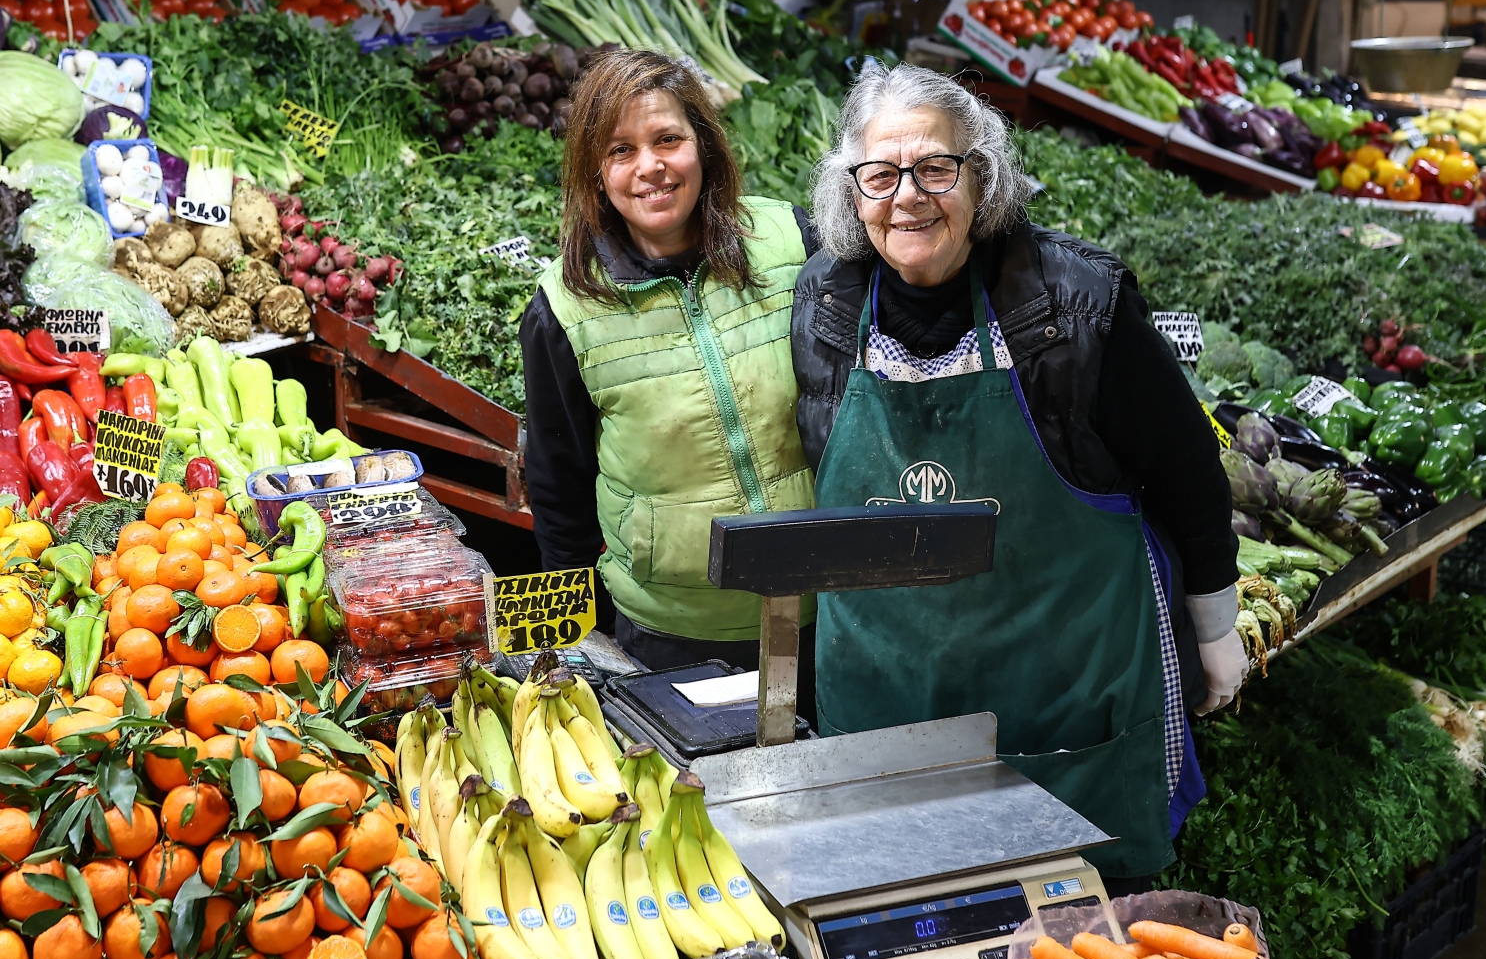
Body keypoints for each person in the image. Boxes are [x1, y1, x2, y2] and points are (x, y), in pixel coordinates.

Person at [790, 63, 1244, 885]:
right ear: (852, 193)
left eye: (936, 168)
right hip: (888, 699)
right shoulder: (823, 302)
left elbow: (1187, 470)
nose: (909, 196)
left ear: (982, 177)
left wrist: (1214, 629)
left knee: (1076, 938)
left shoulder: (1078, 302)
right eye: (881, 174)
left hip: (1063, 700)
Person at [520, 49, 822, 708]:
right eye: (620, 150)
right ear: (596, 174)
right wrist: (575, 642)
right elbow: (557, 487)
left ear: (704, 147)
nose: (650, 166)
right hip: (671, 638)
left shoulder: (794, 241)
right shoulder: (565, 309)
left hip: (826, 613)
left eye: (668, 139)